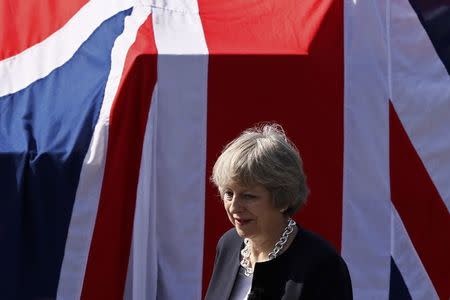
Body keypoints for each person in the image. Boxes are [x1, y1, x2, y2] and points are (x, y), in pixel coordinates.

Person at [205, 123, 352, 300]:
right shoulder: (229, 244)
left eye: (248, 196)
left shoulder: (322, 265)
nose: (234, 207)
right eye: (229, 193)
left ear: (282, 199)